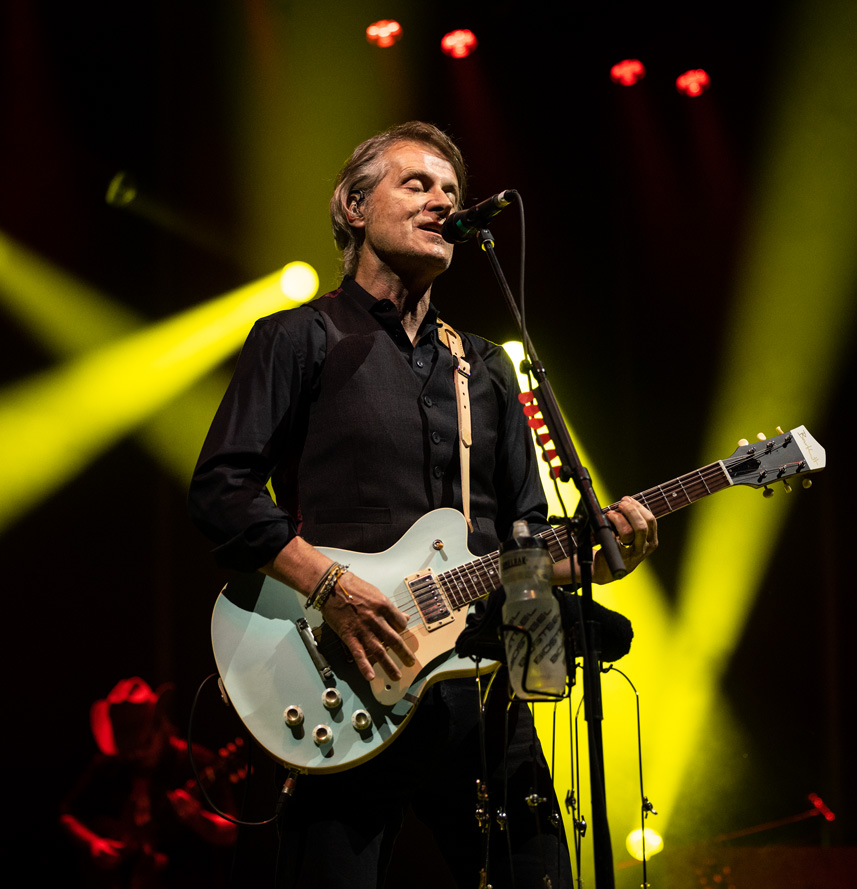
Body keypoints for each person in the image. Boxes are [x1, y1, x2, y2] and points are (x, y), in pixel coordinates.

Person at [188, 121, 657, 888]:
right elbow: (220, 489)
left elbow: (529, 542)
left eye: (450, 190)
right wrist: (330, 586)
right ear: (352, 205)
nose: (442, 200)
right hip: (342, 672)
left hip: (477, 690)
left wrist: (601, 557)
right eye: (417, 184)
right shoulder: (299, 337)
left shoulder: (485, 370)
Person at [59, 677, 239, 889]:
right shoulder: (111, 764)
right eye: (127, 747)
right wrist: (93, 843)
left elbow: (231, 832)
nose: (134, 754)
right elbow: (68, 813)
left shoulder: (195, 761)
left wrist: (196, 818)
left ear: (159, 727)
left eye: (141, 744)